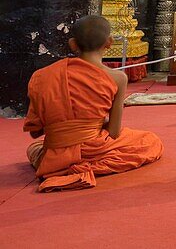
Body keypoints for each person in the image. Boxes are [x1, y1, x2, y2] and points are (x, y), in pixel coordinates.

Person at [23, 15, 163, 192]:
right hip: (94, 147)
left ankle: (62, 163)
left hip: (55, 150)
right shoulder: (118, 78)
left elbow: (35, 132)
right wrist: (89, 124)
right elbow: (114, 132)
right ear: (110, 42)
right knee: (149, 141)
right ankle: (82, 163)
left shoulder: (43, 76)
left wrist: (66, 127)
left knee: (35, 148)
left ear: (73, 44)